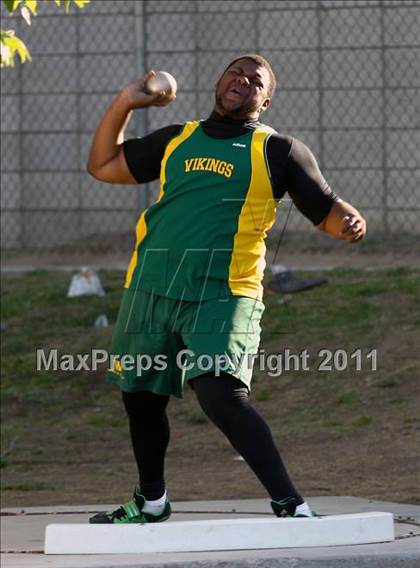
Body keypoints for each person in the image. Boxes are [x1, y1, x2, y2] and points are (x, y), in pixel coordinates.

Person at [87, 54, 366, 524]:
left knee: (220, 393)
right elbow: (104, 164)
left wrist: (350, 223)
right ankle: (152, 500)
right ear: (219, 82)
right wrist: (126, 102)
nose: (243, 80)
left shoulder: (279, 150)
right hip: (150, 287)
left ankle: (290, 504)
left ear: (266, 99)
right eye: (236, 72)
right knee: (140, 397)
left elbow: (326, 208)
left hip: (225, 290)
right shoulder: (178, 138)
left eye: (255, 80)